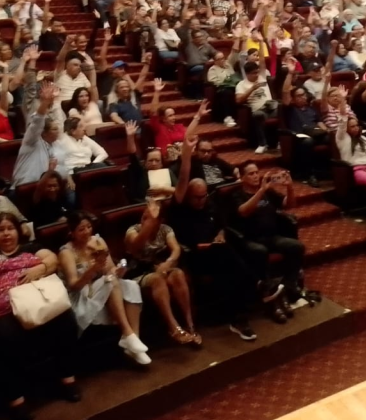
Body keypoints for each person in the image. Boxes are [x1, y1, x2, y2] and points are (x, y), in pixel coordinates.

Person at [0, 191, 80, 420]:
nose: (6, 233)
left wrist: (41, 268)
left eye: (10, 228)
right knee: (4, 337)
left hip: (34, 302)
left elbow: (52, 258)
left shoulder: (31, 248)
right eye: (0, 230)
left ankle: (68, 379)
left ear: (19, 231)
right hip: (0, 309)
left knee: (66, 320)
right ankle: (16, 399)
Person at [168, 136, 274, 338]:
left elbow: (221, 226)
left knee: (230, 260)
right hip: (195, 256)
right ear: (188, 196)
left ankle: (239, 319)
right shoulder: (179, 208)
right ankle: (258, 285)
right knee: (229, 257)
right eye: (197, 197)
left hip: (217, 253)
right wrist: (187, 155)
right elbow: (182, 180)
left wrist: (220, 234)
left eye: (204, 196)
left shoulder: (208, 204)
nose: (201, 201)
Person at [58, 211, 150, 363]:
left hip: (103, 285)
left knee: (131, 285)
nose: (87, 232)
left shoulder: (98, 241)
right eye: (81, 229)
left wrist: (119, 270)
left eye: (89, 227)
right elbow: (74, 285)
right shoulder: (66, 252)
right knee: (110, 281)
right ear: (72, 232)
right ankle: (128, 334)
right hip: (82, 294)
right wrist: (92, 270)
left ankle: (133, 339)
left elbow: (110, 270)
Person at [231, 162, 317, 308]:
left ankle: (287, 286)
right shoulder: (237, 194)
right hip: (250, 239)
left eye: (257, 172)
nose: (256, 176)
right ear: (243, 177)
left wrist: (289, 187)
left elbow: (289, 204)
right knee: (260, 251)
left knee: (297, 247)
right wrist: (261, 191)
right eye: (251, 174)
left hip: (271, 237)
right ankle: (267, 291)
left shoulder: (268, 192)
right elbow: (243, 211)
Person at [124, 199, 200, 346]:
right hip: (138, 272)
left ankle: (190, 325)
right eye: (144, 217)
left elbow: (176, 249)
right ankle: (173, 327)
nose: (144, 221)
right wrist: (149, 223)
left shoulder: (165, 229)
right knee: (157, 279)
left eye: (150, 219)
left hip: (159, 267)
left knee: (178, 274)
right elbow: (137, 245)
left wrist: (168, 262)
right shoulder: (132, 231)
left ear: (161, 221)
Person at [235, 46, 277, 155]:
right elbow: (238, 100)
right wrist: (252, 89)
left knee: (284, 109)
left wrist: (261, 43)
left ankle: (281, 141)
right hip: (260, 110)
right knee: (258, 115)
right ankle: (263, 144)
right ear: (247, 74)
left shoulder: (262, 76)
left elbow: (262, 61)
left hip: (272, 107)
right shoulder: (241, 85)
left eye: (257, 72)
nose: (257, 75)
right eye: (254, 73)